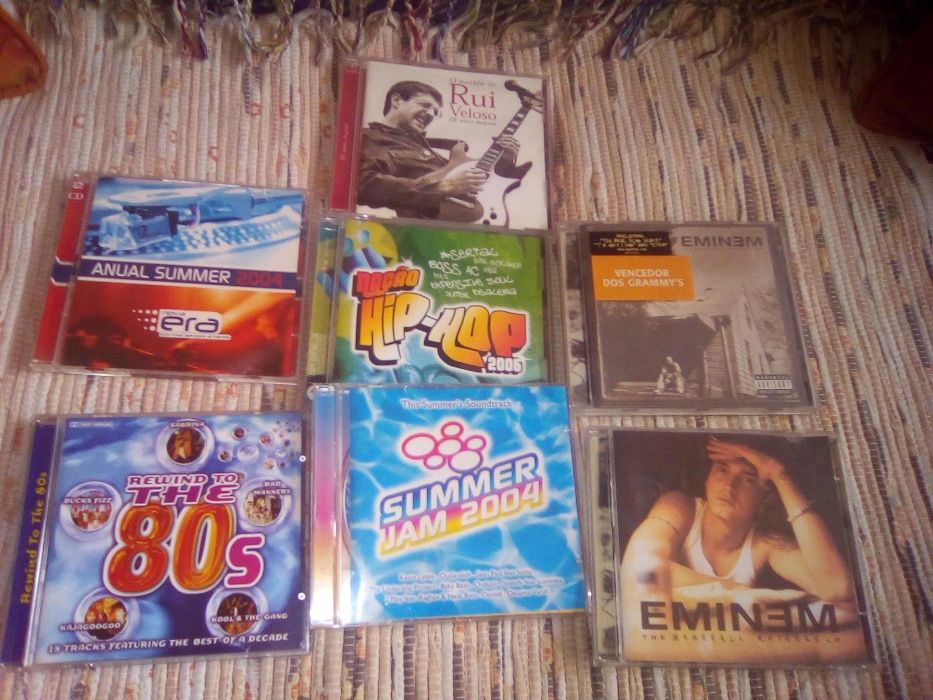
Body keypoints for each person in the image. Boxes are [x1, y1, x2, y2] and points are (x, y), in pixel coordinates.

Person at [620, 437, 853, 602]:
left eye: (748, 479)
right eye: (722, 470)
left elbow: (836, 588)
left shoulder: (764, 544)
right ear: (708, 478)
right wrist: (746, 593)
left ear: (765, 496)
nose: (729, 486)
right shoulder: (680, 507)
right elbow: (639, 567)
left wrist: (778, 474)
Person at [356, 80, 522, 219]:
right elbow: (364, 184)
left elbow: (479, 183)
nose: (431, 114)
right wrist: (442, 187)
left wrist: (505, 159)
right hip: (425, 230)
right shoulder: (371, 137)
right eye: (424, 105)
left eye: (435, 111)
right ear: (396, 101)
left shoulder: (422, 146)